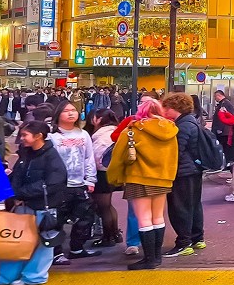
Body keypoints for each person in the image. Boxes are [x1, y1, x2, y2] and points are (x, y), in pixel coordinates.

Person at [0, 120, 71, 285]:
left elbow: (54, 182)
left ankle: (34, 277)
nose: (21, 138)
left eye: (25, 135)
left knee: (41, 245)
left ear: (39, 136)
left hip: (41, 207)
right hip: (26, 205)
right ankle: (8, 276)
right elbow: (19, 176)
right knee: (15, 242)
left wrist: (19, 193)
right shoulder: (27, 154)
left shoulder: (50, 155)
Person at [104, 99, 179, 270]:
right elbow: (174, 157)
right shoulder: (171, 130)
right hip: (163, 178)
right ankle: (157, 257)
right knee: (158, 217)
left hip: (138, 178)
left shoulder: (132, 130)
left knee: (144, 219)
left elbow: (117, 158)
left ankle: (149, 259)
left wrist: (114, 178)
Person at [49, 101, 99, 263]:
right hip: (59, 186)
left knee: (85, 217)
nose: (71, 113)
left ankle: (77, 248)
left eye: (73, 110)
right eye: (66, 111)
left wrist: (90, 179)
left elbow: (89, 158)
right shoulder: (52, 136)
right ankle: (56, 252)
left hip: (80, 184)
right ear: (58, 114)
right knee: (56, 220)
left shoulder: (83, 134)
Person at [159, 93, 208, 257]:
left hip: (183, 172)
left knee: (180, 207)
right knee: (194, 205)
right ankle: (197, 238)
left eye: (167, 108)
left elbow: (176, 151)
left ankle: (184, 242)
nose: (164, 111)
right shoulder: (192, 121)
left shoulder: (182, 125)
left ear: (175, 108)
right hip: (194, 170)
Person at [87, 109, 123, 247]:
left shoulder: (102, 135)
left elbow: (96, 157)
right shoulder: (113, 131)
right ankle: (114, 234)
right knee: (108, 206)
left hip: (102, 173)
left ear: (99, 119)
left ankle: (108, 237)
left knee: (103, 207)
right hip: (111, 172)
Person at [211, 90, 234, 172]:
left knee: (224, 148)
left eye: (215, 96)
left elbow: (223, 117)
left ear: (219, 95)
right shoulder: (223, 103)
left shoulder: (225, 104)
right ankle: (224, 164)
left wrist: (220, 128)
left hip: (223, 131)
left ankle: (225, 164)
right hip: (223, 130)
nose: (215, 98)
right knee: (223, 148)